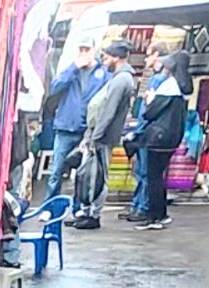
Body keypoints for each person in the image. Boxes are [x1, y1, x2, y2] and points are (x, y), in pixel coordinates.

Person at [72, 42, 137, 229]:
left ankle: (93, 215)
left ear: (116, 57)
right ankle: (87, 212)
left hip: (103, 137)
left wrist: (95, 137)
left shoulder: (121, 80)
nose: (104, 60)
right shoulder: (119, 78)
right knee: (89, 174)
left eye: (107, 57)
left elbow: (108, 111)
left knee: (98, 175)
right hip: (99, 135)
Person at [44, 38, 108, 198]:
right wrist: (73, 67)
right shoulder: (71, 70)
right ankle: (50, 204)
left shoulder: (103, 74)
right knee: (56, 171)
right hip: (65, 127)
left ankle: (78, 206)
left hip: (86, 130)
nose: (84, 53)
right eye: (81, 49)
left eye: (87, 50)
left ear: (94, 50)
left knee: (83, 172)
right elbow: (54, 87)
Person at [133, 50, 190, 230]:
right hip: (172, 138)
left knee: (153, 178)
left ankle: (153, 217)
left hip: (159, 138)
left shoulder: (169, 86)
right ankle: (161, 214)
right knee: (159, 176)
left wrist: (150, 100)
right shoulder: (184, 86)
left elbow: (150, 113)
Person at [124, 43, 171, 222]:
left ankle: (142, 207)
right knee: (141, 171)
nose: (145, 59)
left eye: (149, 55)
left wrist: (140, 129)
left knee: (144, 172)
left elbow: (149, 107)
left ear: (157, 55)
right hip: (147, 129)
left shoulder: (159, 79)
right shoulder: (158, 78)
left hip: (148, 130)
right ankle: (138, 206)